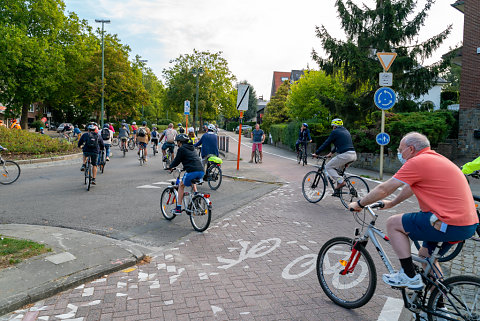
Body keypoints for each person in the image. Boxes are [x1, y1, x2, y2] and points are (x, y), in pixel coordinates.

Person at [349, 132, 479, 290]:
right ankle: (438, 306)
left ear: (410, 149)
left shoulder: (418, 161)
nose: (399, 153)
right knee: (426, 256)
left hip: (447, 222)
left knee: (393, 224)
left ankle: (408, 275)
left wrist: (360, 204)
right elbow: (411, 186)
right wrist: (392, 203)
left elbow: (384, 188)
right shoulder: (436, 159)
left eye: (400, 149)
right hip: (468, 224)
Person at [312, 119, 356, 191]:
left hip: (345, 155)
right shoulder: (346, 131)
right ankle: (338, 190)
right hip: (353, 155)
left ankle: (341, 182)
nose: (332, 128)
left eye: (333, 126)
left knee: (328, 167)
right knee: (338, 172)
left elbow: (326, 143)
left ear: (335, 126)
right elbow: (338, 145)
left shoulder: (335, 132)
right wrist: (330, 154)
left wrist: (316, 153)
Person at [166, 134, 204, 214]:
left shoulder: (181, 149)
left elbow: (177, 160)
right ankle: (196, 195)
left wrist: (170, 166)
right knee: (192, 181)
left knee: (181, 185)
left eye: (178, 142)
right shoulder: (192, 147)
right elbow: (192, 159)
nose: (177, 144)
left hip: (192, 171)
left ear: (180, 142)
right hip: (201, 171)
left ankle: (178, 208)